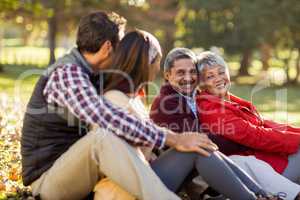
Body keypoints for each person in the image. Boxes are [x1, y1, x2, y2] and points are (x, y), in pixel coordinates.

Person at [20, 11, 217, 200]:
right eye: (121, 45)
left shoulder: (95, 75)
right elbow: (104, 116)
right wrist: (172, 138)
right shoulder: (67, 73)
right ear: (107, 47)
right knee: (102, 138)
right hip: (49, 181)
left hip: (85, 172)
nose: (124, 51)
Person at [103, 40, 278, 200]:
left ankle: (260, 194)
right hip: (153, 176)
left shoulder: (193, 97)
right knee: (198, 145)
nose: (188, 77)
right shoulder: (166, 103)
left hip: (179, 171)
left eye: (192, 72)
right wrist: (242, 136)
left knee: (201, 146)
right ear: (167, 75)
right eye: (180, 72)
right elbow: (205, 140)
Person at [196, 51, 300, 200]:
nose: (218, 78)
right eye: (210, 76)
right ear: (201, 84)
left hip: (269, 160)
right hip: (258, 171)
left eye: (221, 72)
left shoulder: (229, 100)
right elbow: (255, 136)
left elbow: (266, 124)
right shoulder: (210, 109)